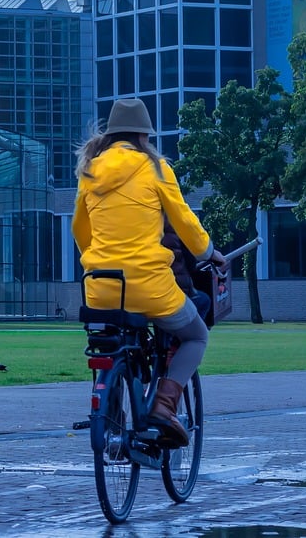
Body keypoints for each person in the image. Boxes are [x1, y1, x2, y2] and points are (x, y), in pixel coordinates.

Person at [72, 98, 226, 447]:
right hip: (149, 286)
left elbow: (80, 229)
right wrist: (209, 252)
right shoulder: (156, 168)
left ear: (111, 135)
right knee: (196, 336)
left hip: (101, 286)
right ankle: (164, 406)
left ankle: (111, 416)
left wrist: (99, 259)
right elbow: (183, 220)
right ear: (144, 135)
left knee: (112, 345)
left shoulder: (90, 170)